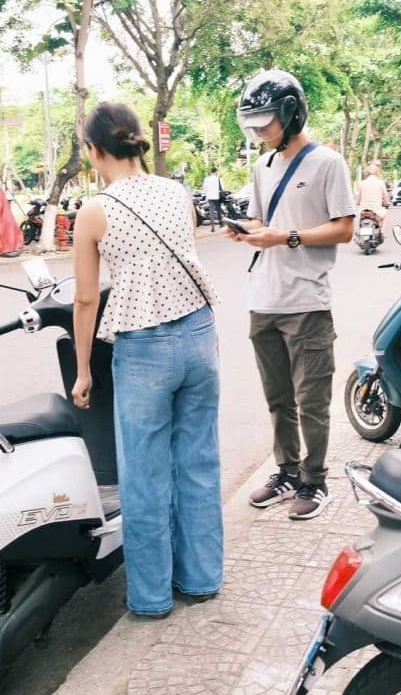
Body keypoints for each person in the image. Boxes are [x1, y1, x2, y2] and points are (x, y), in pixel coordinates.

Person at [70, 101, 224, 618]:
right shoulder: (177, 193)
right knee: (198, 464)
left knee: (144, 476)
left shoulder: (94, 212)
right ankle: (201, 579)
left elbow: (87, 300)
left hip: (142, 350)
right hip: (200, 335)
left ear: (94, 151)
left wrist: (85, 369)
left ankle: (153, 598)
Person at [227, 69, 355, 520]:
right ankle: (285, 471)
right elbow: (265, 224)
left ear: (291, 114)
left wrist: (287, 238)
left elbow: (344, 227)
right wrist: (248, 233)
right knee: (278, 399)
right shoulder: (262, 166)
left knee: (311, 400)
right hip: (263, 301)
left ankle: (315, 481)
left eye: (265, 122)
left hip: (307, 303)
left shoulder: (328, 163)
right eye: (253, 124)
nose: (259, 132)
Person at [355, 160, 389, 231]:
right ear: (377, 172)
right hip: (376, 209)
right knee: (385, 217)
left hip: (364, 209)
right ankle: (382, 232)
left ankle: (361, 231)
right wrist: (386, 203)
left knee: (361, 218)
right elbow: (385, 196)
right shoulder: (380, 183)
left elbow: (358, 198)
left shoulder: (362, 183)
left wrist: (357, 203)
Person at [201, 166, 224, 231]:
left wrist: (204, 195)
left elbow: (204, 188)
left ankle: (212, 226)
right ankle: (221, 225)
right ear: (216, 171)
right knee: (218, 210)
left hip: (210, 197)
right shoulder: (218, 178)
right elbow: (223, 187)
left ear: (211, 171)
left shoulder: (206, 179)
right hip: (217, 196)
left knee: (211, 211)